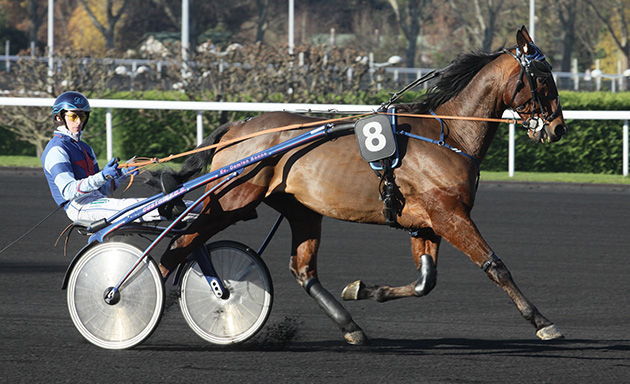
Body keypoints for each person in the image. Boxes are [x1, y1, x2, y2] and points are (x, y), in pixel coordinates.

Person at [41, 91, 197, 224]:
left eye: (82, 116)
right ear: (59, 118)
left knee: (149, 203)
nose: (80, 121)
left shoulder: (86, 148)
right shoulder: (56, 150)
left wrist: (123, 174)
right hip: (79, 206)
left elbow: (102, 189)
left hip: (96, 201)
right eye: (74, 116)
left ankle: (198, 208)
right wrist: (102, 175)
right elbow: (68, 191)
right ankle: (175, 212)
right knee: (145, 206)